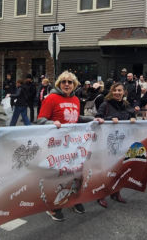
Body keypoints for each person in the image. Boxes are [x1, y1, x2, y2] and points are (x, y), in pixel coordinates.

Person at [36, 70, 104, 220]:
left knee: (76, 172)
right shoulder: (51, 98)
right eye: (64, 81)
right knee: (57, 175)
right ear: (59, 84)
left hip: (73, 144)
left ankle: (73, 199)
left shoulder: (76, 100)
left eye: (70, 82)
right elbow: (40, 120)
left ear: (75, 85)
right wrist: (52, 123)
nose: (67, 84)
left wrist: (93, 119)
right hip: (55, 145)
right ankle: (53, 206)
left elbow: (76, 118)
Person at [95, 82, 137, 207]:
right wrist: (109, 120)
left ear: (124, 92)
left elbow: (132, 115)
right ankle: (101, 194)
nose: (117, 93)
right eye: (115, 90)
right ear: (111, 92)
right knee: (107, 170)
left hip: (123, 142)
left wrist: (134, 118)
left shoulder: (126, 105)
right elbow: (97, 119)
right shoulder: (105, 104)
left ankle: (116, 192)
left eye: (120, 90)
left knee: (120, 169)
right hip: (108, 143)